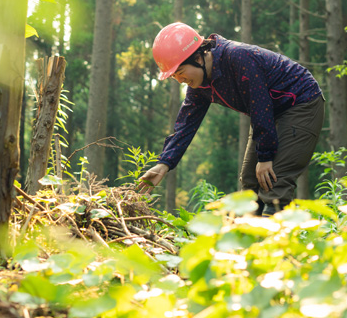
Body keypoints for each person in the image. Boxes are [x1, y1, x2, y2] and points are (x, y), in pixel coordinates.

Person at [137, 22, 325, 216]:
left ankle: (273, 243)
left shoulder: (237, 57)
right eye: (174, 76)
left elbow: (259, 103)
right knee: (250, 184)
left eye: (181, 72)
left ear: (197, 57)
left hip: (301, 103)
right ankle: (247, 241)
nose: (180, 80)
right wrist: (164, 163)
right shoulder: (199, 86)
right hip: (267, 113)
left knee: (275, 183)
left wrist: (266, 156)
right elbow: (185, 125)